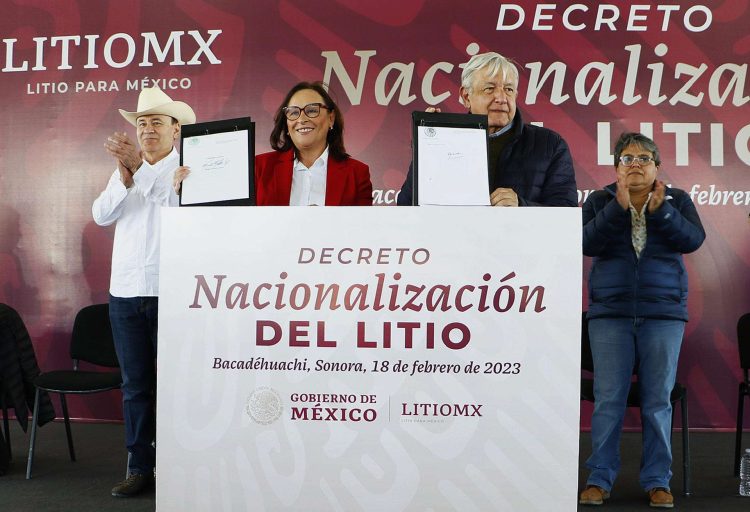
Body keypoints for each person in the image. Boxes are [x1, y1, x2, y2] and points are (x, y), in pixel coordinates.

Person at [579, 132, 705, 508]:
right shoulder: (600, 200)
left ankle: (657, 480)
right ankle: (599, 479)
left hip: (663, 313)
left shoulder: (677, 200)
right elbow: (585, 244)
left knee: (657, 402)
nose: (635, 164)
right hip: (610, 315)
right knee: (608, 401)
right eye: (627, 158)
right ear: (617, 166)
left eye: (643, 158)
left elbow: (692, 240)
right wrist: (616, 209)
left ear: (656, 166)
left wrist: (661, 210)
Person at [92, 87, 195, 498]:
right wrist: (124, 177)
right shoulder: (125, 170)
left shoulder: (188, 170)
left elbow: (179, 212)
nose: (147, 129)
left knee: (177, 384)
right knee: (135, 385)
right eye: (141, 123)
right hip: (125, 293)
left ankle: (181, 466)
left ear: (175, 129)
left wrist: (142, 171)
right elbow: (100, 216)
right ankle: (139, 467)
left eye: (156, 122)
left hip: (172, 293)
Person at [396, 51, 577, 207]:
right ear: (466, 96)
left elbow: (566, 214)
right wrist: (426, 147)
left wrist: (522, 206)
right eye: (489, 89)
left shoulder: (549, 144)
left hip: (522, 245)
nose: (501, 97)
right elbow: (406, 207)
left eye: (508, 89)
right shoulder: (445, 140)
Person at [174, 81, 372, 206]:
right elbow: (227, 215)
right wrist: (192, 188)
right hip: (270, 271)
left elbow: (362, 235)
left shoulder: (357, 174)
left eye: (312, 110)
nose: (302, 119)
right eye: (293, 112)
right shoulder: (258, 168)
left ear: (331, 118)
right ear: (286, 123)